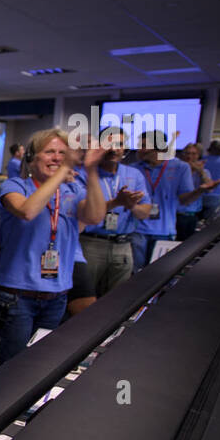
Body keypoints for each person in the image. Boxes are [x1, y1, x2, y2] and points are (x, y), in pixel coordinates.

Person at [0, 129, 106, 363]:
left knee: (40, 362)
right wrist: (65, 168)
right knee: (12, 366)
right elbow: (27, 211)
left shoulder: (72, 190)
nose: (57, 158)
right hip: (17, 295)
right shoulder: (15, 185)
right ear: (32, 160)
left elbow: (95, 217)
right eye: (50, 152)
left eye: (63, 153)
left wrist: (91, 170)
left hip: (56, 295)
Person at [71, 126, 150, 312]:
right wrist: (116, 202)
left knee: (117, 303)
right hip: (91, 244)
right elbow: (85, 213)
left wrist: (130, 205)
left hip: (123, 245)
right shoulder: (83, 174)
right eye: (109, 144)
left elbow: (144, 212)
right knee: (85, 304)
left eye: (120, 144)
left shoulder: (134, 174)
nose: (114, 149)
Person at [129, 131, 213, 270]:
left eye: (144, 146)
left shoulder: (179, 167)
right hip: (137, 229)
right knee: (135, 272)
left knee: (158, 274)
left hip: (164, 230)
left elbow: (185, 200)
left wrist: (200, 190)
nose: (139, 149)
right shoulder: (133, 169)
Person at [176, 143, 211, 240]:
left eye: (193, 154)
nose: (190, 156)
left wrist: (201, 172)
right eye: (187, 153)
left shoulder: (204, 172)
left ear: (198, 155)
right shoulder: (176, 170)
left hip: (193, 215)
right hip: (177, 214)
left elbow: (209, 189)